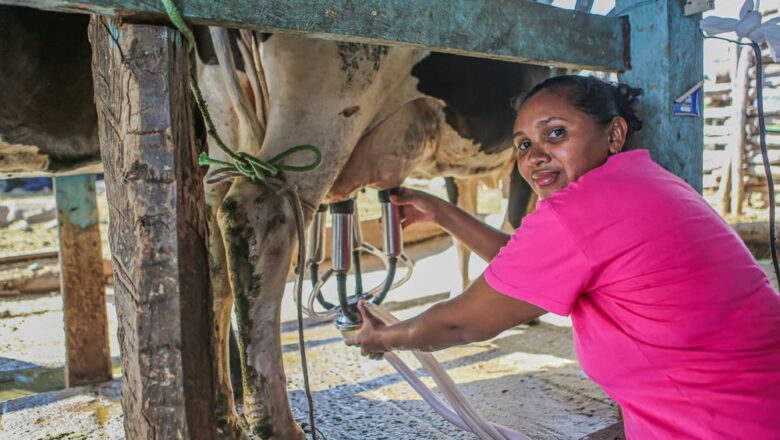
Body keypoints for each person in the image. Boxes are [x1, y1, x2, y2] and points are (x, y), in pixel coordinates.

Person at [346, 75, 780, 438]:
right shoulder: (644, 181)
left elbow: (463, 322)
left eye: (556, 134)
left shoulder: (582, 211)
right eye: (521, 145)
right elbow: (527, 272)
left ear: (613, 134)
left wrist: (381, 339)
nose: (535, 156)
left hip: (723, 424)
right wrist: (443, 212)